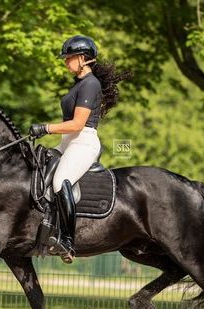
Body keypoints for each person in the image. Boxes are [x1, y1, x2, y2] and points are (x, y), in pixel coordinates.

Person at [29, 35, 130, 263]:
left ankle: (67, 240)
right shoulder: (79, 84)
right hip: (68, 142)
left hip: (83, 143)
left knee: (60, 180)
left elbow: (77, 124)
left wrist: (45, 127)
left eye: (69, 58)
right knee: (40, 167)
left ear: (83, 59)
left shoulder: (90, 84)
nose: (66, 63)